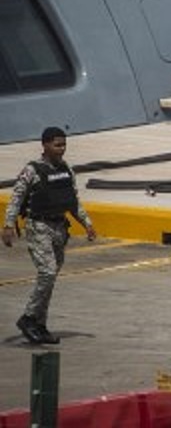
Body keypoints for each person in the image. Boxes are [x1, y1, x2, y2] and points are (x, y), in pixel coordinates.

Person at [2, 127, 97, 345]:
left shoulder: (66, 170)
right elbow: (16, 198)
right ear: (44, 145)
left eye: (64, 144)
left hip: (59, 229)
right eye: (57, 144)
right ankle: (27, 318)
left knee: (50, 279)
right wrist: (8, 225)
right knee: (47, 272)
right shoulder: (32, 170)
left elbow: (73, 201)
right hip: (39, 227)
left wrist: (87, 223)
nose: (61, 149)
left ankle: (39, 324)